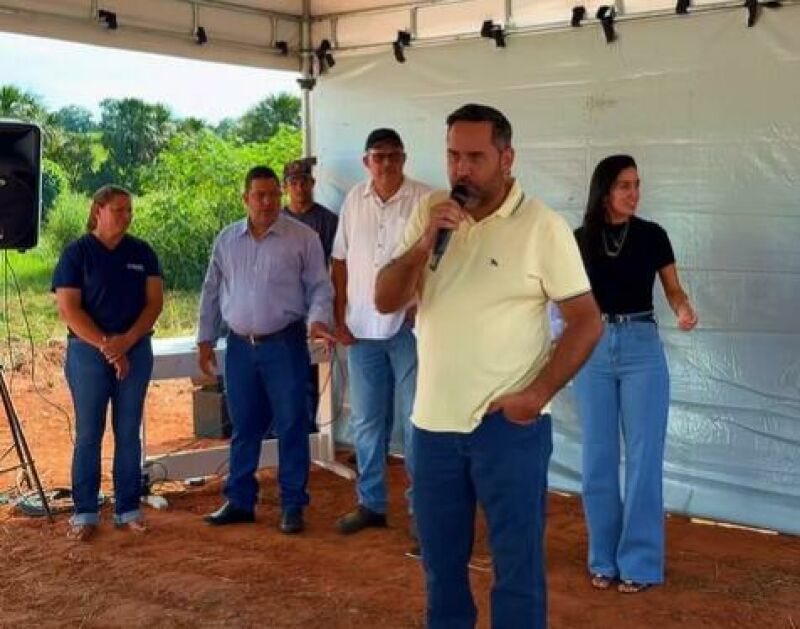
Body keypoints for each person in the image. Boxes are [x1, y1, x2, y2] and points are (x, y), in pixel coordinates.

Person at [375, 104, 603, 628]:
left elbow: (586, 321)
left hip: (507, 429)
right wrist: (424, 241)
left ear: (506, 158)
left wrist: (535, 396)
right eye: (453, 155)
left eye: (475, 157)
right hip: (432, 429)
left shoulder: (542, 226)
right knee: (440, 569)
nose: (461, 169)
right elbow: (385, 300)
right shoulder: (430, 211)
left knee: (518, 572)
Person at [573, 154, 698, 594]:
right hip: (592, 347)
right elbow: (564, 297)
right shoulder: (578, 240)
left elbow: (673, 288)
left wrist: (682, 307)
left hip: (642, 344)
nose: (633, 193)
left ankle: (641, 563)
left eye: (637, 184)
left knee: (645, 457)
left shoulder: (652, 236)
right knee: (597, 458)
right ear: (604, 190)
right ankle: (603, 559)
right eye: (624, 185)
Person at [198, 166, 334, 535]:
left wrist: (319, 320)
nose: (268, 202)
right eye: (259, 195)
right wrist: (204, 338)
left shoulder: (303, 238)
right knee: (244, 426)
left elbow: (320, 287)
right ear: (245, 198)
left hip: (284, 344)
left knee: (291, 424)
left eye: (274, 194)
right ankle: (240, 499)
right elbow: (211, 289)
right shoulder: (227, 240)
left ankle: (293, 504)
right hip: (239, 346)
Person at [331, 128, 432, 536]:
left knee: (415, 421)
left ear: (404, 159)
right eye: (378, 156)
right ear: (366, 161)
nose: (386, 163)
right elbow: (339, 261)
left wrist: (420, 303)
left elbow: (439, 260)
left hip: (409, 330)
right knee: (368, 423)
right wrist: (339, 316)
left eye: (393, 156)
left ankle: (419, 510)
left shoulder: (426, 198)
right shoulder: (355, 199)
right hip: (361, 331)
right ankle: (371, 503)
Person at [52, 185, 164, 542]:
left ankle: (127, 509)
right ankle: (85, 513)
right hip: (89, 353)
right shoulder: (76, 253)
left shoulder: (142, 252)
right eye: (119, 209)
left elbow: (154, 303)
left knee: (129, 432)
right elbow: (69, 309)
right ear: (97, 210)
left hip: (134, 348)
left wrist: (126, 342)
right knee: (89, 433)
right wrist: (106, 346)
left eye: (129, 210)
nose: (126, 216)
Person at [282, 158, 339, 432]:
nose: (300, 188)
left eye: (305, 182)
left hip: (316, 307)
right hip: (282, 309)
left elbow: (336, 266)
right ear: (286, 188)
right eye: (294, 183)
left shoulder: (327, 220)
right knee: (284, 372)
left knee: (313, 373)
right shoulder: (277, 220)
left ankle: (310, 433)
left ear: (312, 184)